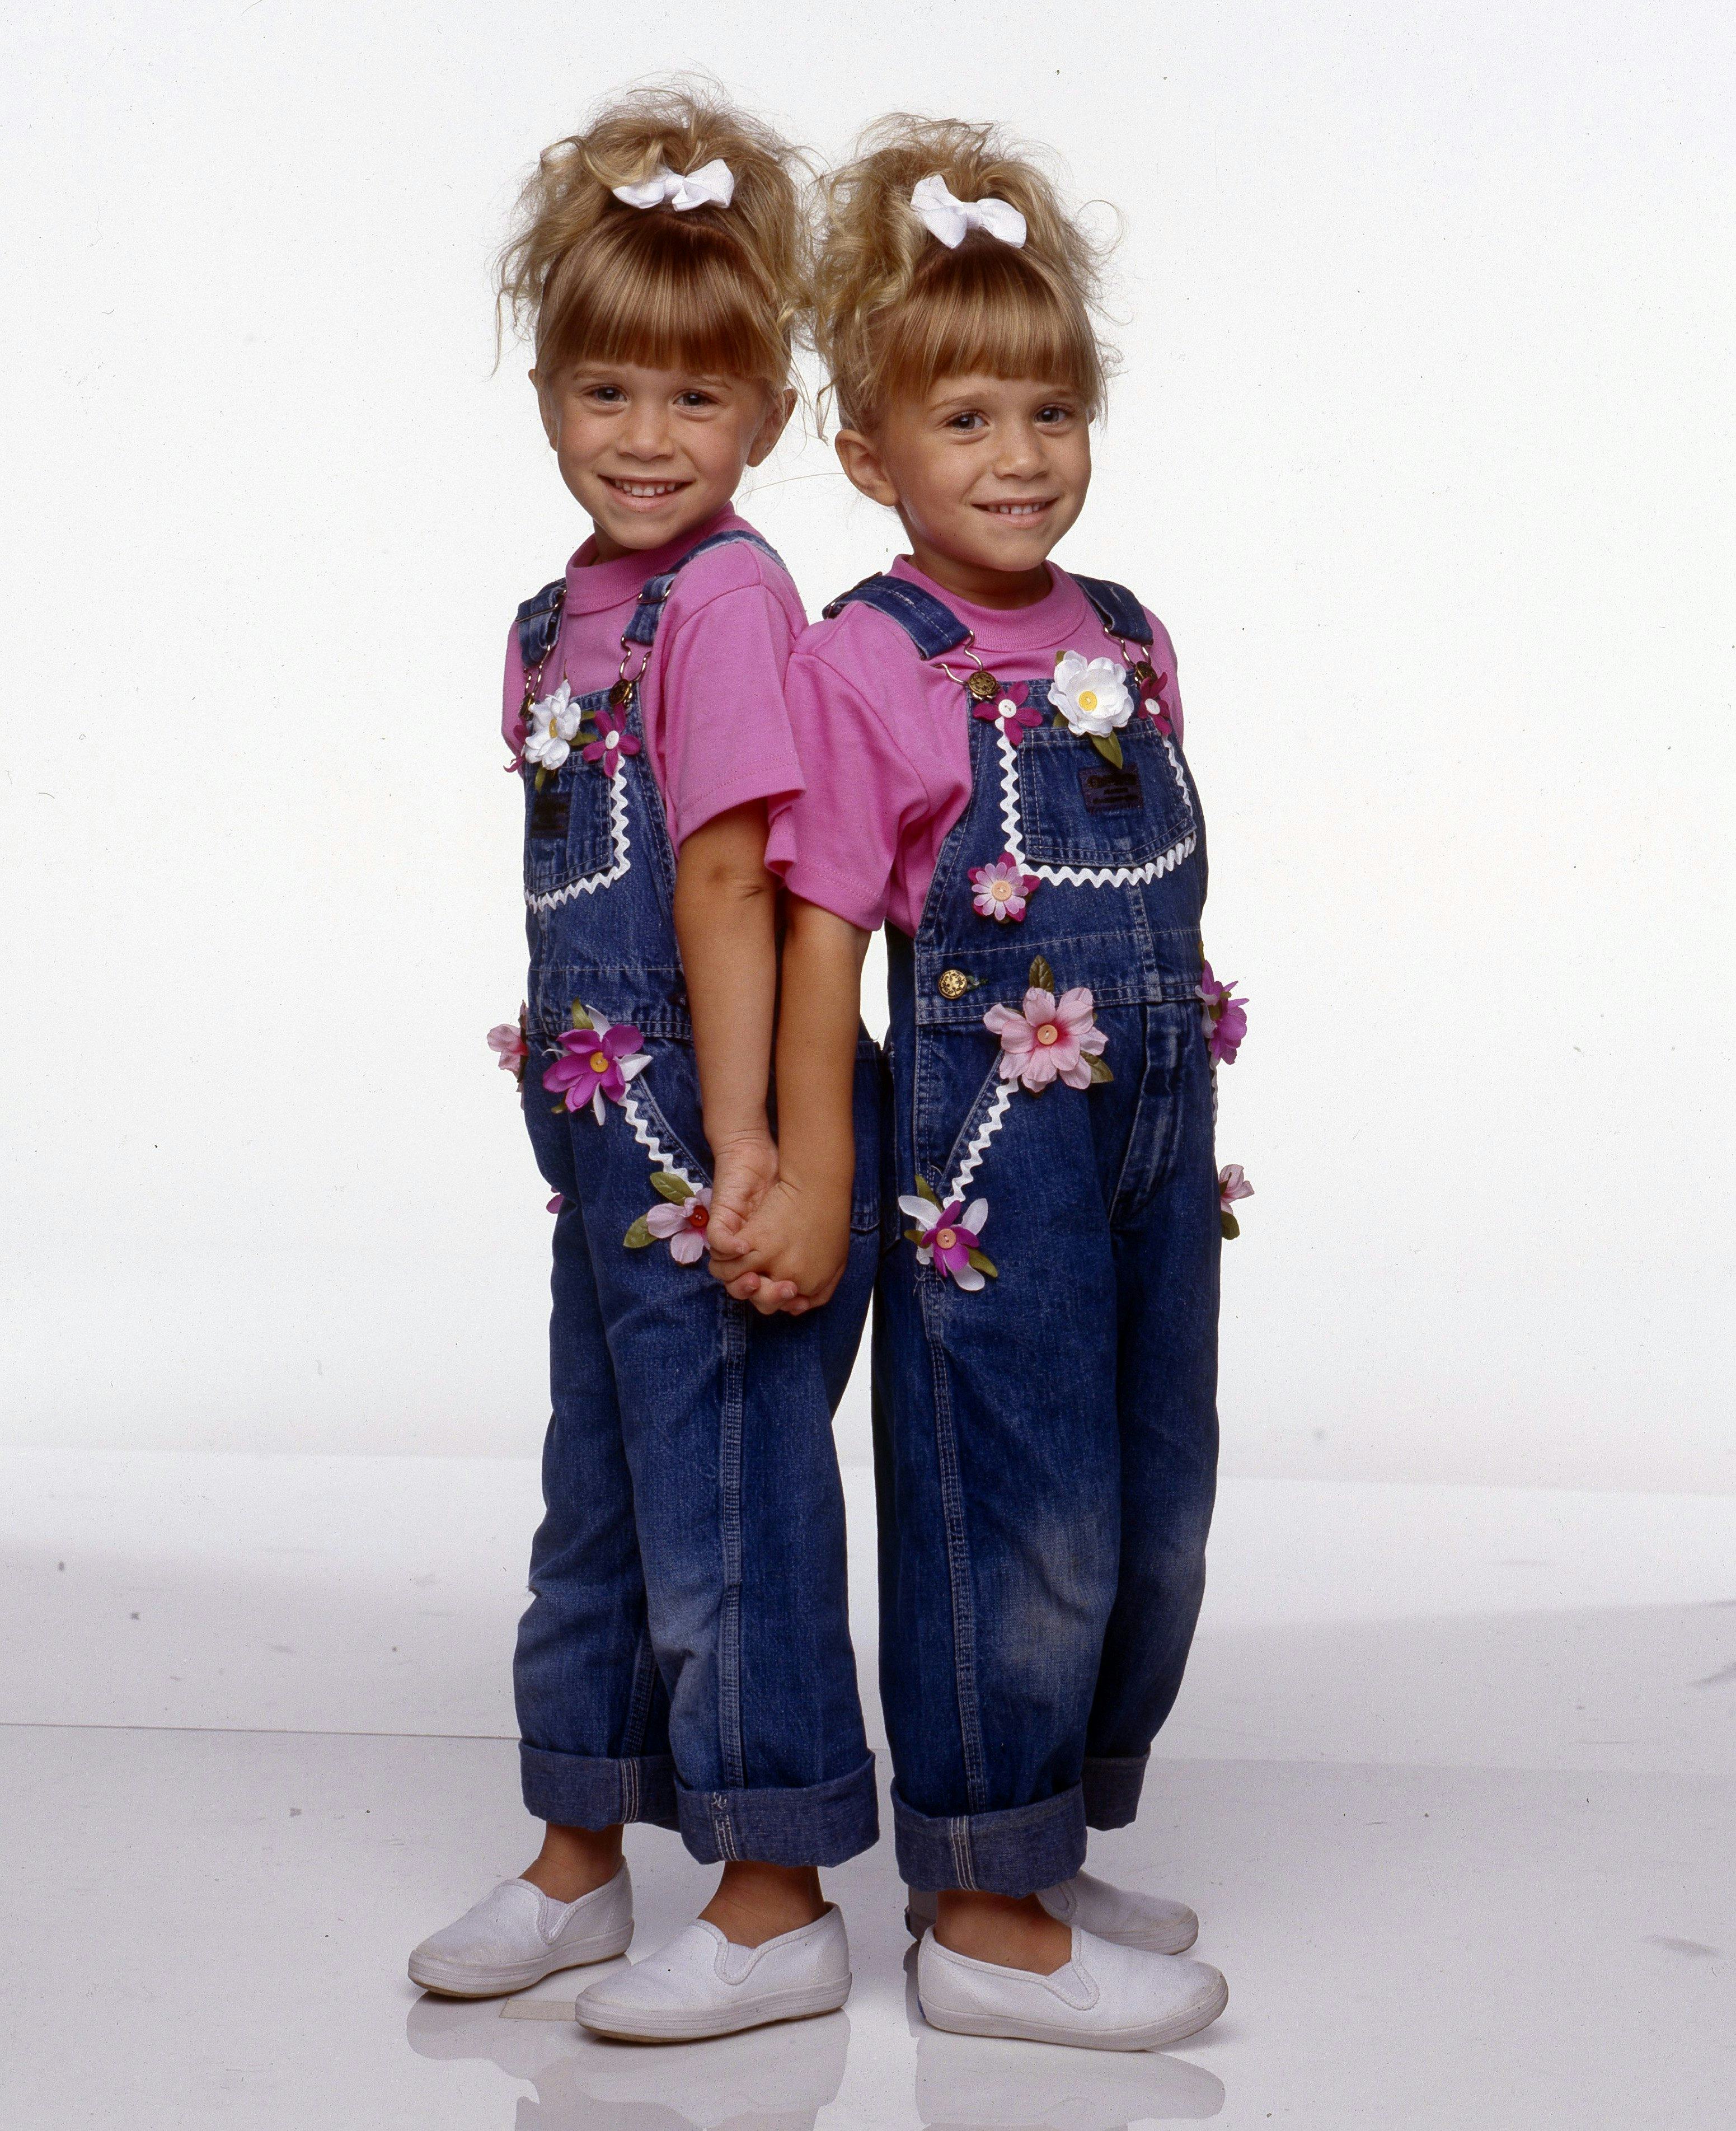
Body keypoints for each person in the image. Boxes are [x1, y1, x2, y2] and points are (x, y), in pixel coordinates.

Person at [716, 115, 1235, 2050]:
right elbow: (825, 945)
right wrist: (828, 1170)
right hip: (990, 1141)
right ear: (868, 458)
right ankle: (977, 1917)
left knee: (1156, 1495)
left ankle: (1033, 1830)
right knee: (1023, 1505)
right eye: (965, 425)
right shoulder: (875, 657)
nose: (1018, 460)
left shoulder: (1131, 638)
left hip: (1152, 1128)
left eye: (1050, 413)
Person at [407, 86, 881, 2044]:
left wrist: (755, 1140)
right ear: (545, 397)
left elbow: (730, 879)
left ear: (768, 412)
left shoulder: (731, 604)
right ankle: (582, 1851)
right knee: (598, 1490)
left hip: (721, 1116)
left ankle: (772, 1891)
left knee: (732, 1500)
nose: (648, 438)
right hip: (612, 1143)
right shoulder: (555, 616)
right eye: (607, 392)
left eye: (696, 401)